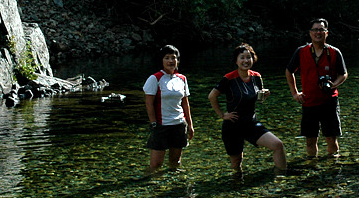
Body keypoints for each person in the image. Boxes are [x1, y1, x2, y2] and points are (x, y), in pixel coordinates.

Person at [209, 43, 287, 171]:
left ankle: (282, 177)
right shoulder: (229, 78)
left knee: (277, 145)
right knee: (236, 161)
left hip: (250, 122)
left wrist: (265, 94)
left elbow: (258, 98)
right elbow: (212, 96)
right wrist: (222, 115)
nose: (246, 60)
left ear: (253, 59)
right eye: (242, 57)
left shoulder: (256, 77)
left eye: (248, 57)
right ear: (236, 60)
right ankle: (237, 185)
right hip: (233, 125)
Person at [285, 19, 348, 158]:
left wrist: (333, 84)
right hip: (309, 102)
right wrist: (295, 93)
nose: (318, 33)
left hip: (329, 102)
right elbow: (289, 71)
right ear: (310, 33)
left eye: (321, 30)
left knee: (331, 138)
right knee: (310, 140)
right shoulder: (301, 52)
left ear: (327, 33)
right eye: (315, 30)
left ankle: (333, 166)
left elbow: (343, 74)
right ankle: (312, 165)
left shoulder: (334, 52)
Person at [143, 44, 194, 172]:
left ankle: (173, 187)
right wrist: (153, 123)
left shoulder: (182, 79)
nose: (171, 61)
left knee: (175, 163)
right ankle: (152, 185)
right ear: (161, 60)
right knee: (156, 165)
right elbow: (149, 104)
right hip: (161, 125)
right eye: (167, 58)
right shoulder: (155, 79)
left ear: (178, 60)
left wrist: (190, 125)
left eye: (174, 58)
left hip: (179, 124)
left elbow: (185, 103)